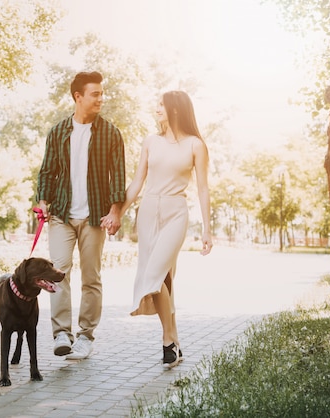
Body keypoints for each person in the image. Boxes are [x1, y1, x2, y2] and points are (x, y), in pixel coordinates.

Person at [101, 90, 212, 368]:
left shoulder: (195, 145)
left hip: (176, 212)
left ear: (175, 109)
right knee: (165, 280)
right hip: (148, 211)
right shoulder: (151, 141)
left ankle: (167, 340)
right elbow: (137, 182)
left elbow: (203, 188)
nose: (157, 109)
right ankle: (174, 342)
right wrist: (117, 214)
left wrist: (207, 230)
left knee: (155, 274)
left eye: (161, 105)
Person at [36, 71, 126, 360]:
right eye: (95, 94)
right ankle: (62, 333)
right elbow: (47, 171)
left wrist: (115, 212)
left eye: (101, 93)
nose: (101, 98)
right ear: (78, 96)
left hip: (94, 216)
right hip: (61, 213)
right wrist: (43, 201)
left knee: (91, 278)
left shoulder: (110, 133)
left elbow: (118, 178)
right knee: (58, 272)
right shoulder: (59, 132)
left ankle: (86, 336)